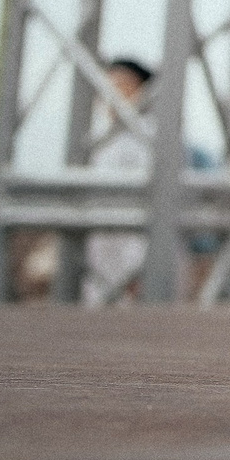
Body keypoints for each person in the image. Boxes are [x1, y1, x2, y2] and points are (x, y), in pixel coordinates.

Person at [82, 58, 154, 305]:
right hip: (99, 258)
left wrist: (140, 267)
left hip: (132, 262)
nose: (111, 92)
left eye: (122, 85)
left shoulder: (149, 138)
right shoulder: (100, 140)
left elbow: (152, 206)